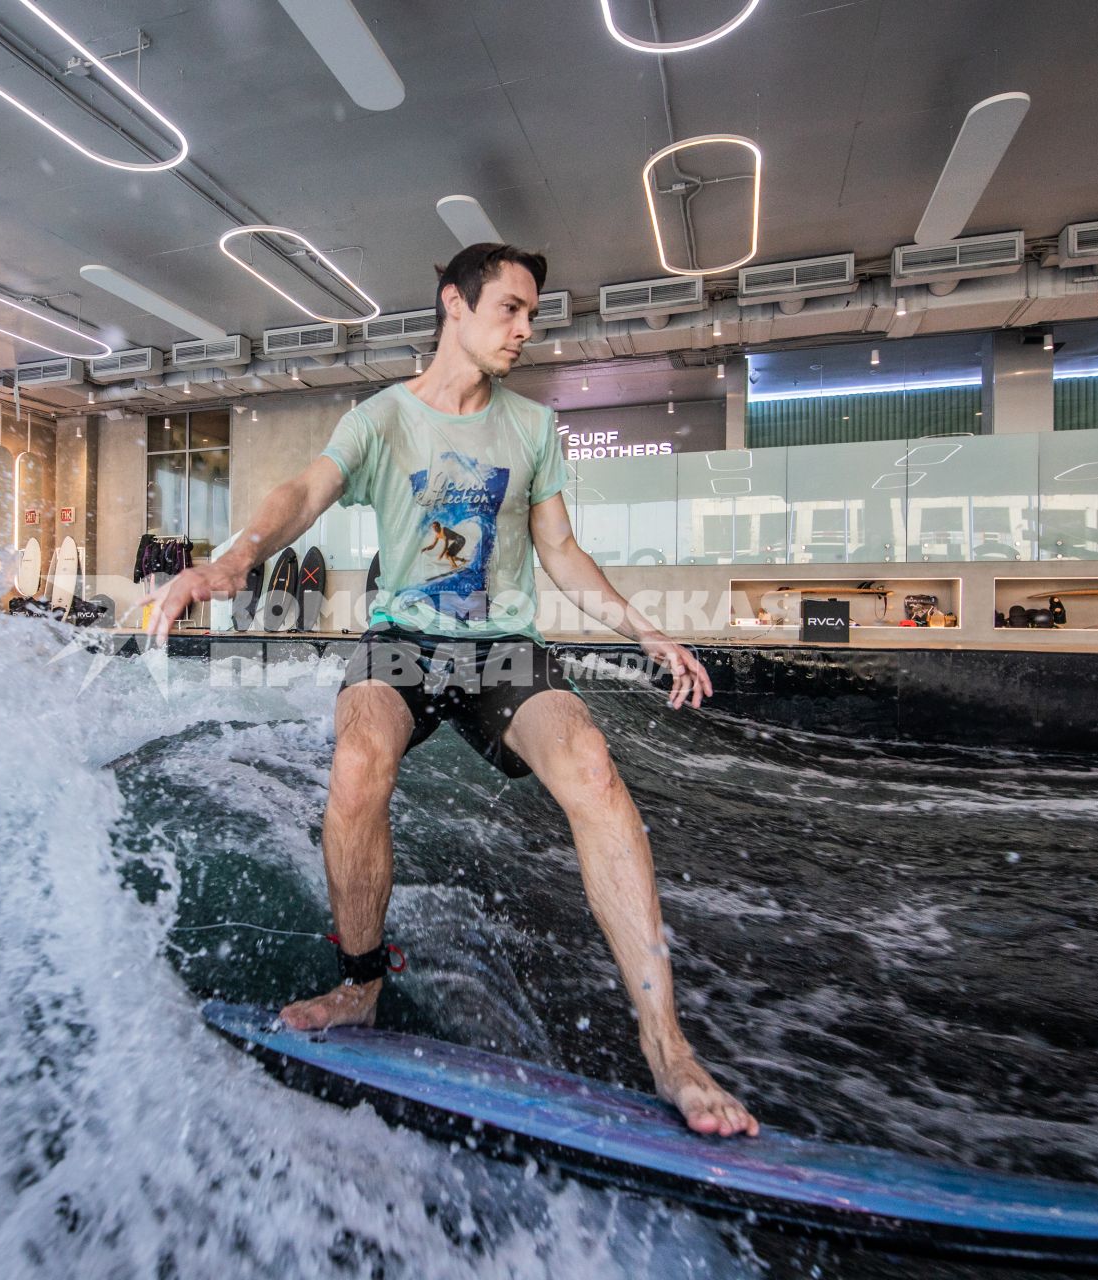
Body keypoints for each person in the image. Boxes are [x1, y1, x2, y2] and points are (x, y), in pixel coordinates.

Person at [138, 243, 757, 1138]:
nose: (524, 328)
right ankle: (360, 983)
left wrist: (642, 627)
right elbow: (304, 492)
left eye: (531, 314)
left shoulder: (534, 428)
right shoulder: (384, 418)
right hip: (403, 644)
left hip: (503, 649)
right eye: (510, 308)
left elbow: (561, 551)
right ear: (453, 307)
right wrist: (232, 559)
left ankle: (667, 1046)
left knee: (590, 764)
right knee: (358, 762)